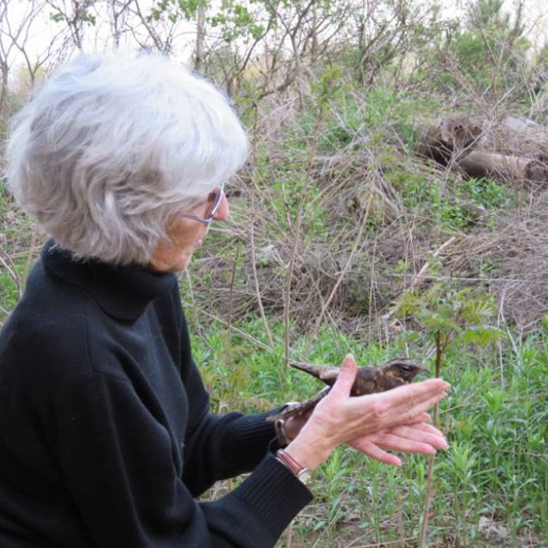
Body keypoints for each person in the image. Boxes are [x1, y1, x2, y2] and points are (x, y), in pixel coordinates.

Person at [0, 52, 450, 548]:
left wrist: (295, 424)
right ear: (132, 210)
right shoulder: (78, 356)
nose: (225, 211)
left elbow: (186, 451)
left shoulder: (127, 279)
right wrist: (306, 453)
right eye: (204, 197)